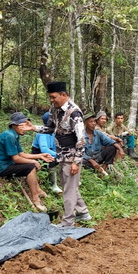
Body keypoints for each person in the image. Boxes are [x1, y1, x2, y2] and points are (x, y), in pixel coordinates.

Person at [29, 81, 91, 227]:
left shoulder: (74, 112)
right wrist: (33, 128)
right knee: (69, 186)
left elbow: (81, 139)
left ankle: (67, 222)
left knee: (68, 190)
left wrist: (76, 161)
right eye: (50, 97)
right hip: (61, 155)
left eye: (53, 97)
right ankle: (83, 212)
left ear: (63, 95)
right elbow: (49, 128)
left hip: (71, 156)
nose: (51, 100)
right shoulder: (55, 109)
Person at [0, 112, 54, 211]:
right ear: (14, 125)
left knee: (32, 164)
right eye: (22, 125)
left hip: (7, 164)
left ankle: (38, 190)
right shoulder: (9, 136)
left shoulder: (14, 135)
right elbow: (16, 158)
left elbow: (21, 154)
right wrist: (33, 162)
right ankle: (35, 197)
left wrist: (40, 156)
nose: (25, 128)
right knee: (31, 167)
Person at [32, 111, 62, 194]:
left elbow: (55, 146)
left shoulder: (53, 132)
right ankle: (53, 185)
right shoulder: (42, 133)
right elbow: (44, 149)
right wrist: (58, 155)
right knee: (52, 161)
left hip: (50, 152)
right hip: (38, 155)